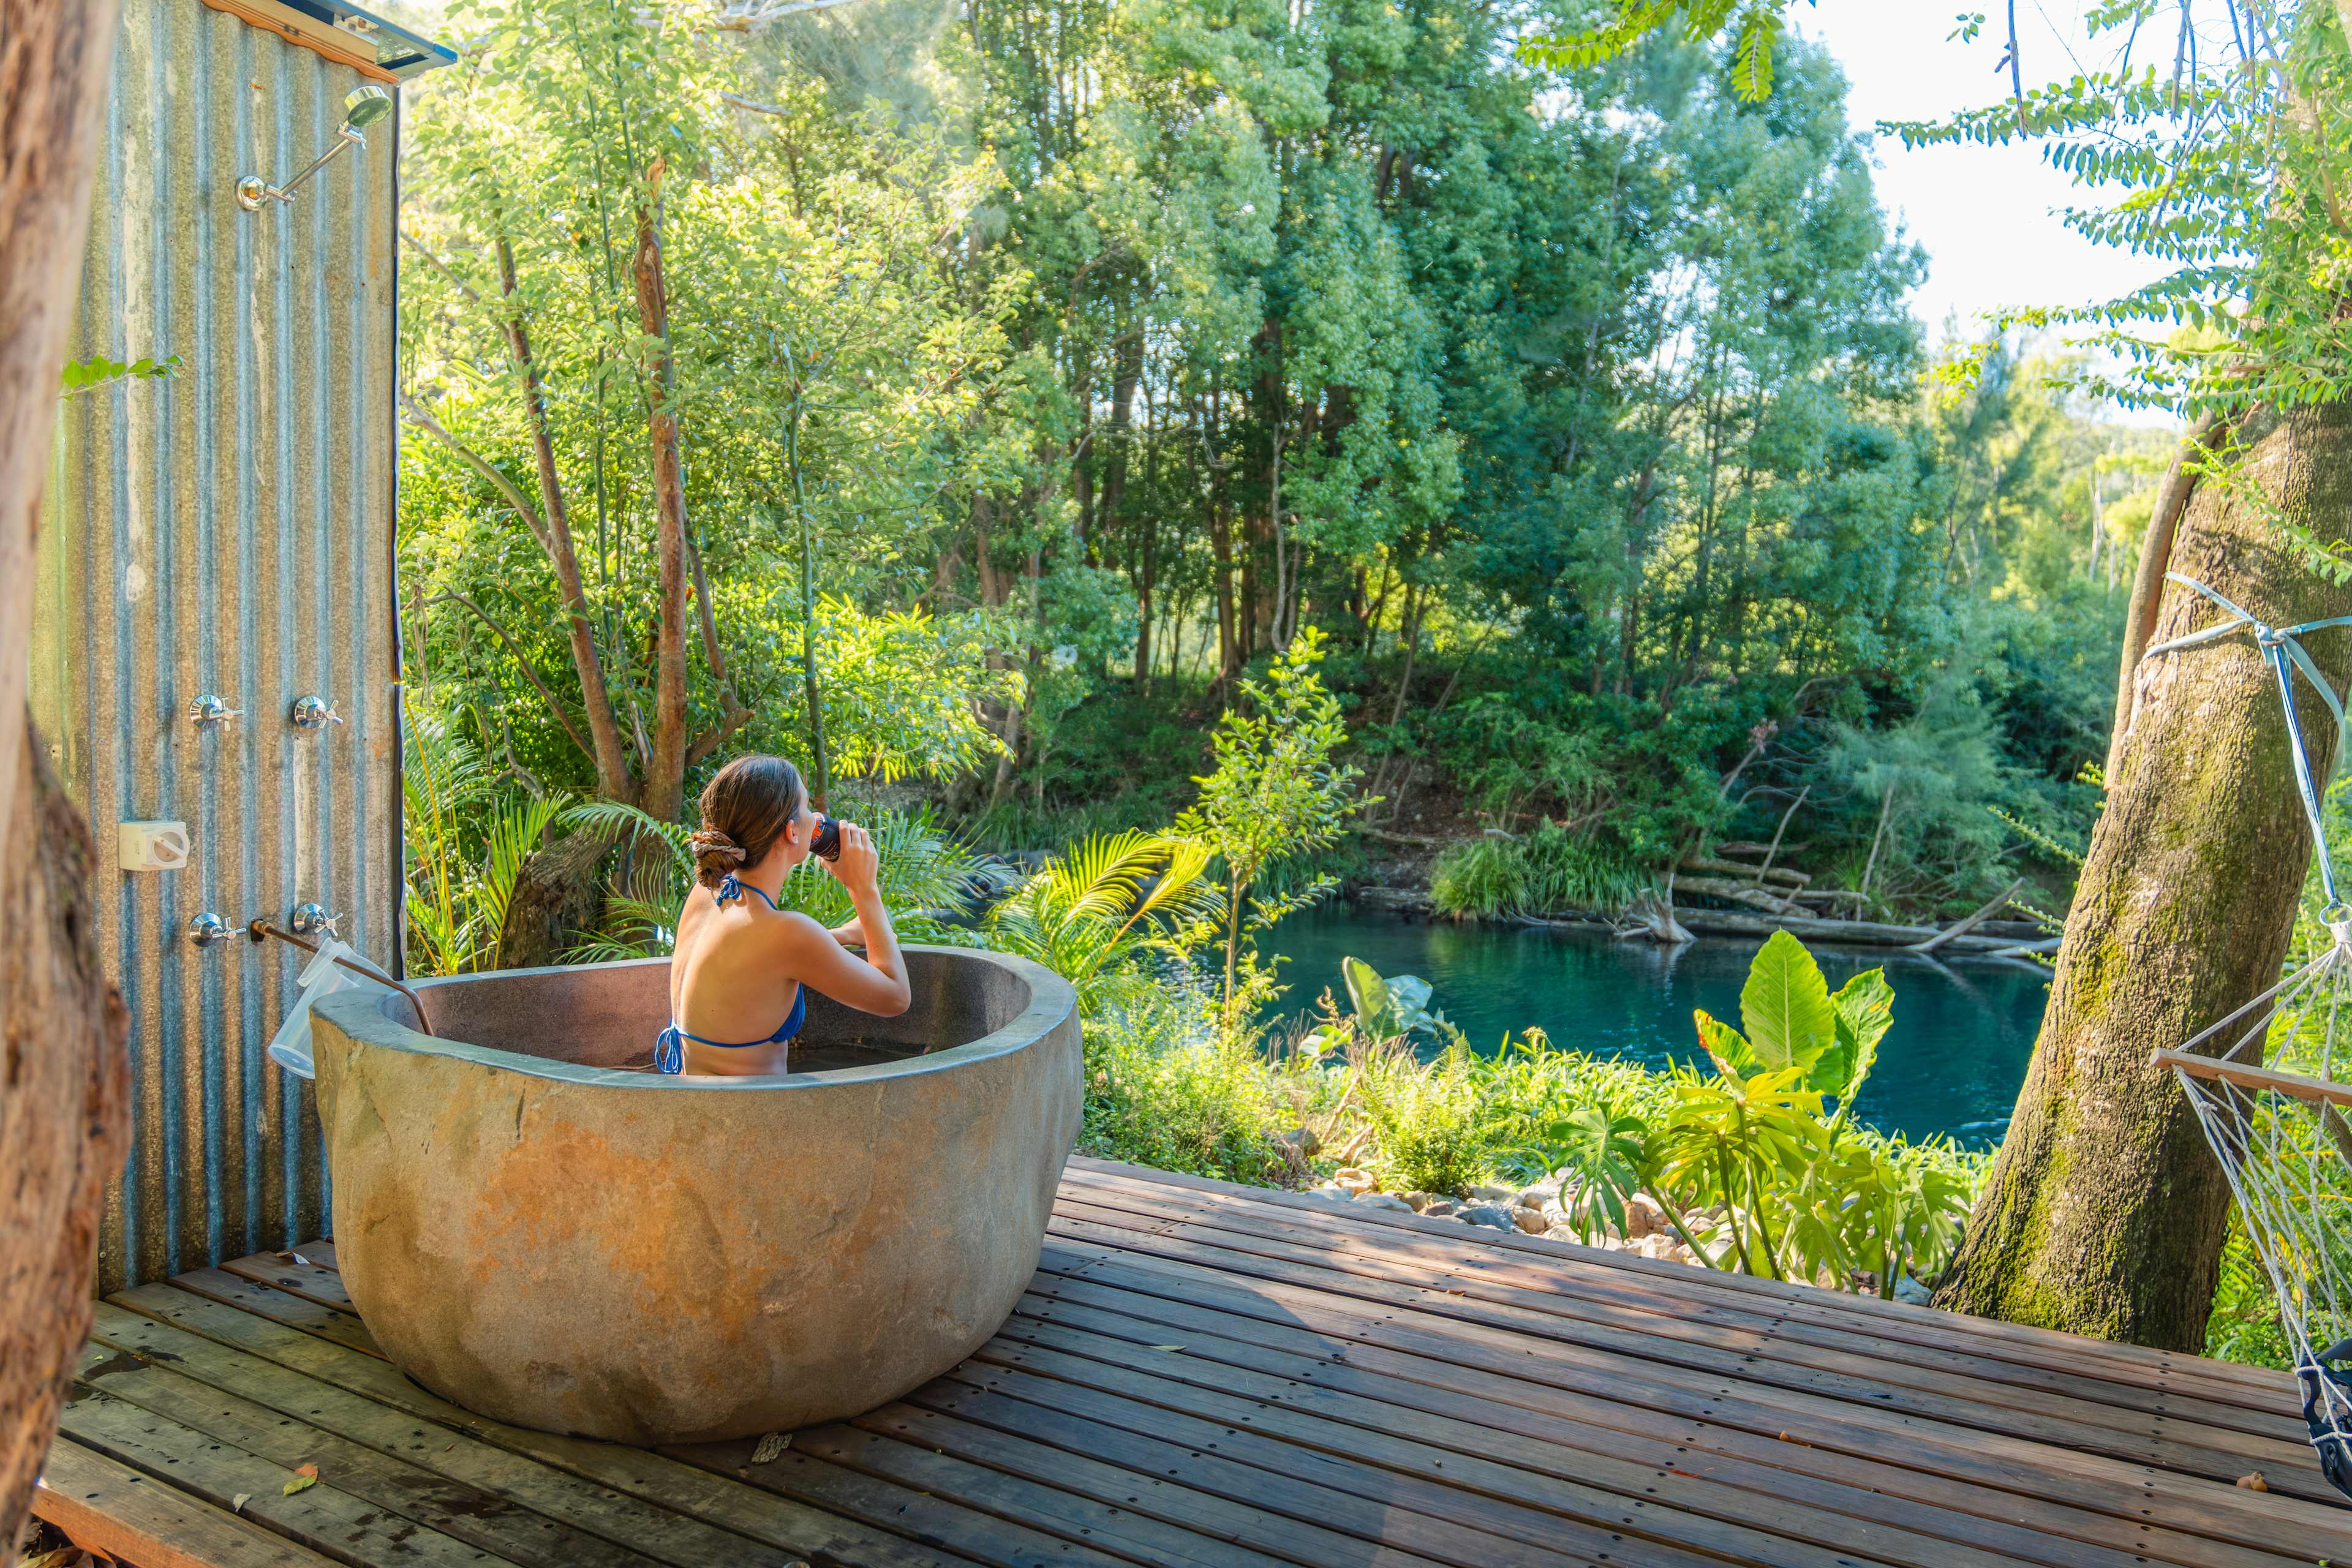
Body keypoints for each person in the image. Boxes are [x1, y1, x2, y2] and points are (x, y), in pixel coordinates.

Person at [657, 755, 908, 1075]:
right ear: (792, 831)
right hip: (753, 1117)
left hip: (694, 1106)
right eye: (806, 807)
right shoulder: (787, 934)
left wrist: (842, 935)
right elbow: (896, 997)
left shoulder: (708, 891)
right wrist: (864, 889)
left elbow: (748, 957)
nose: (816, 817)